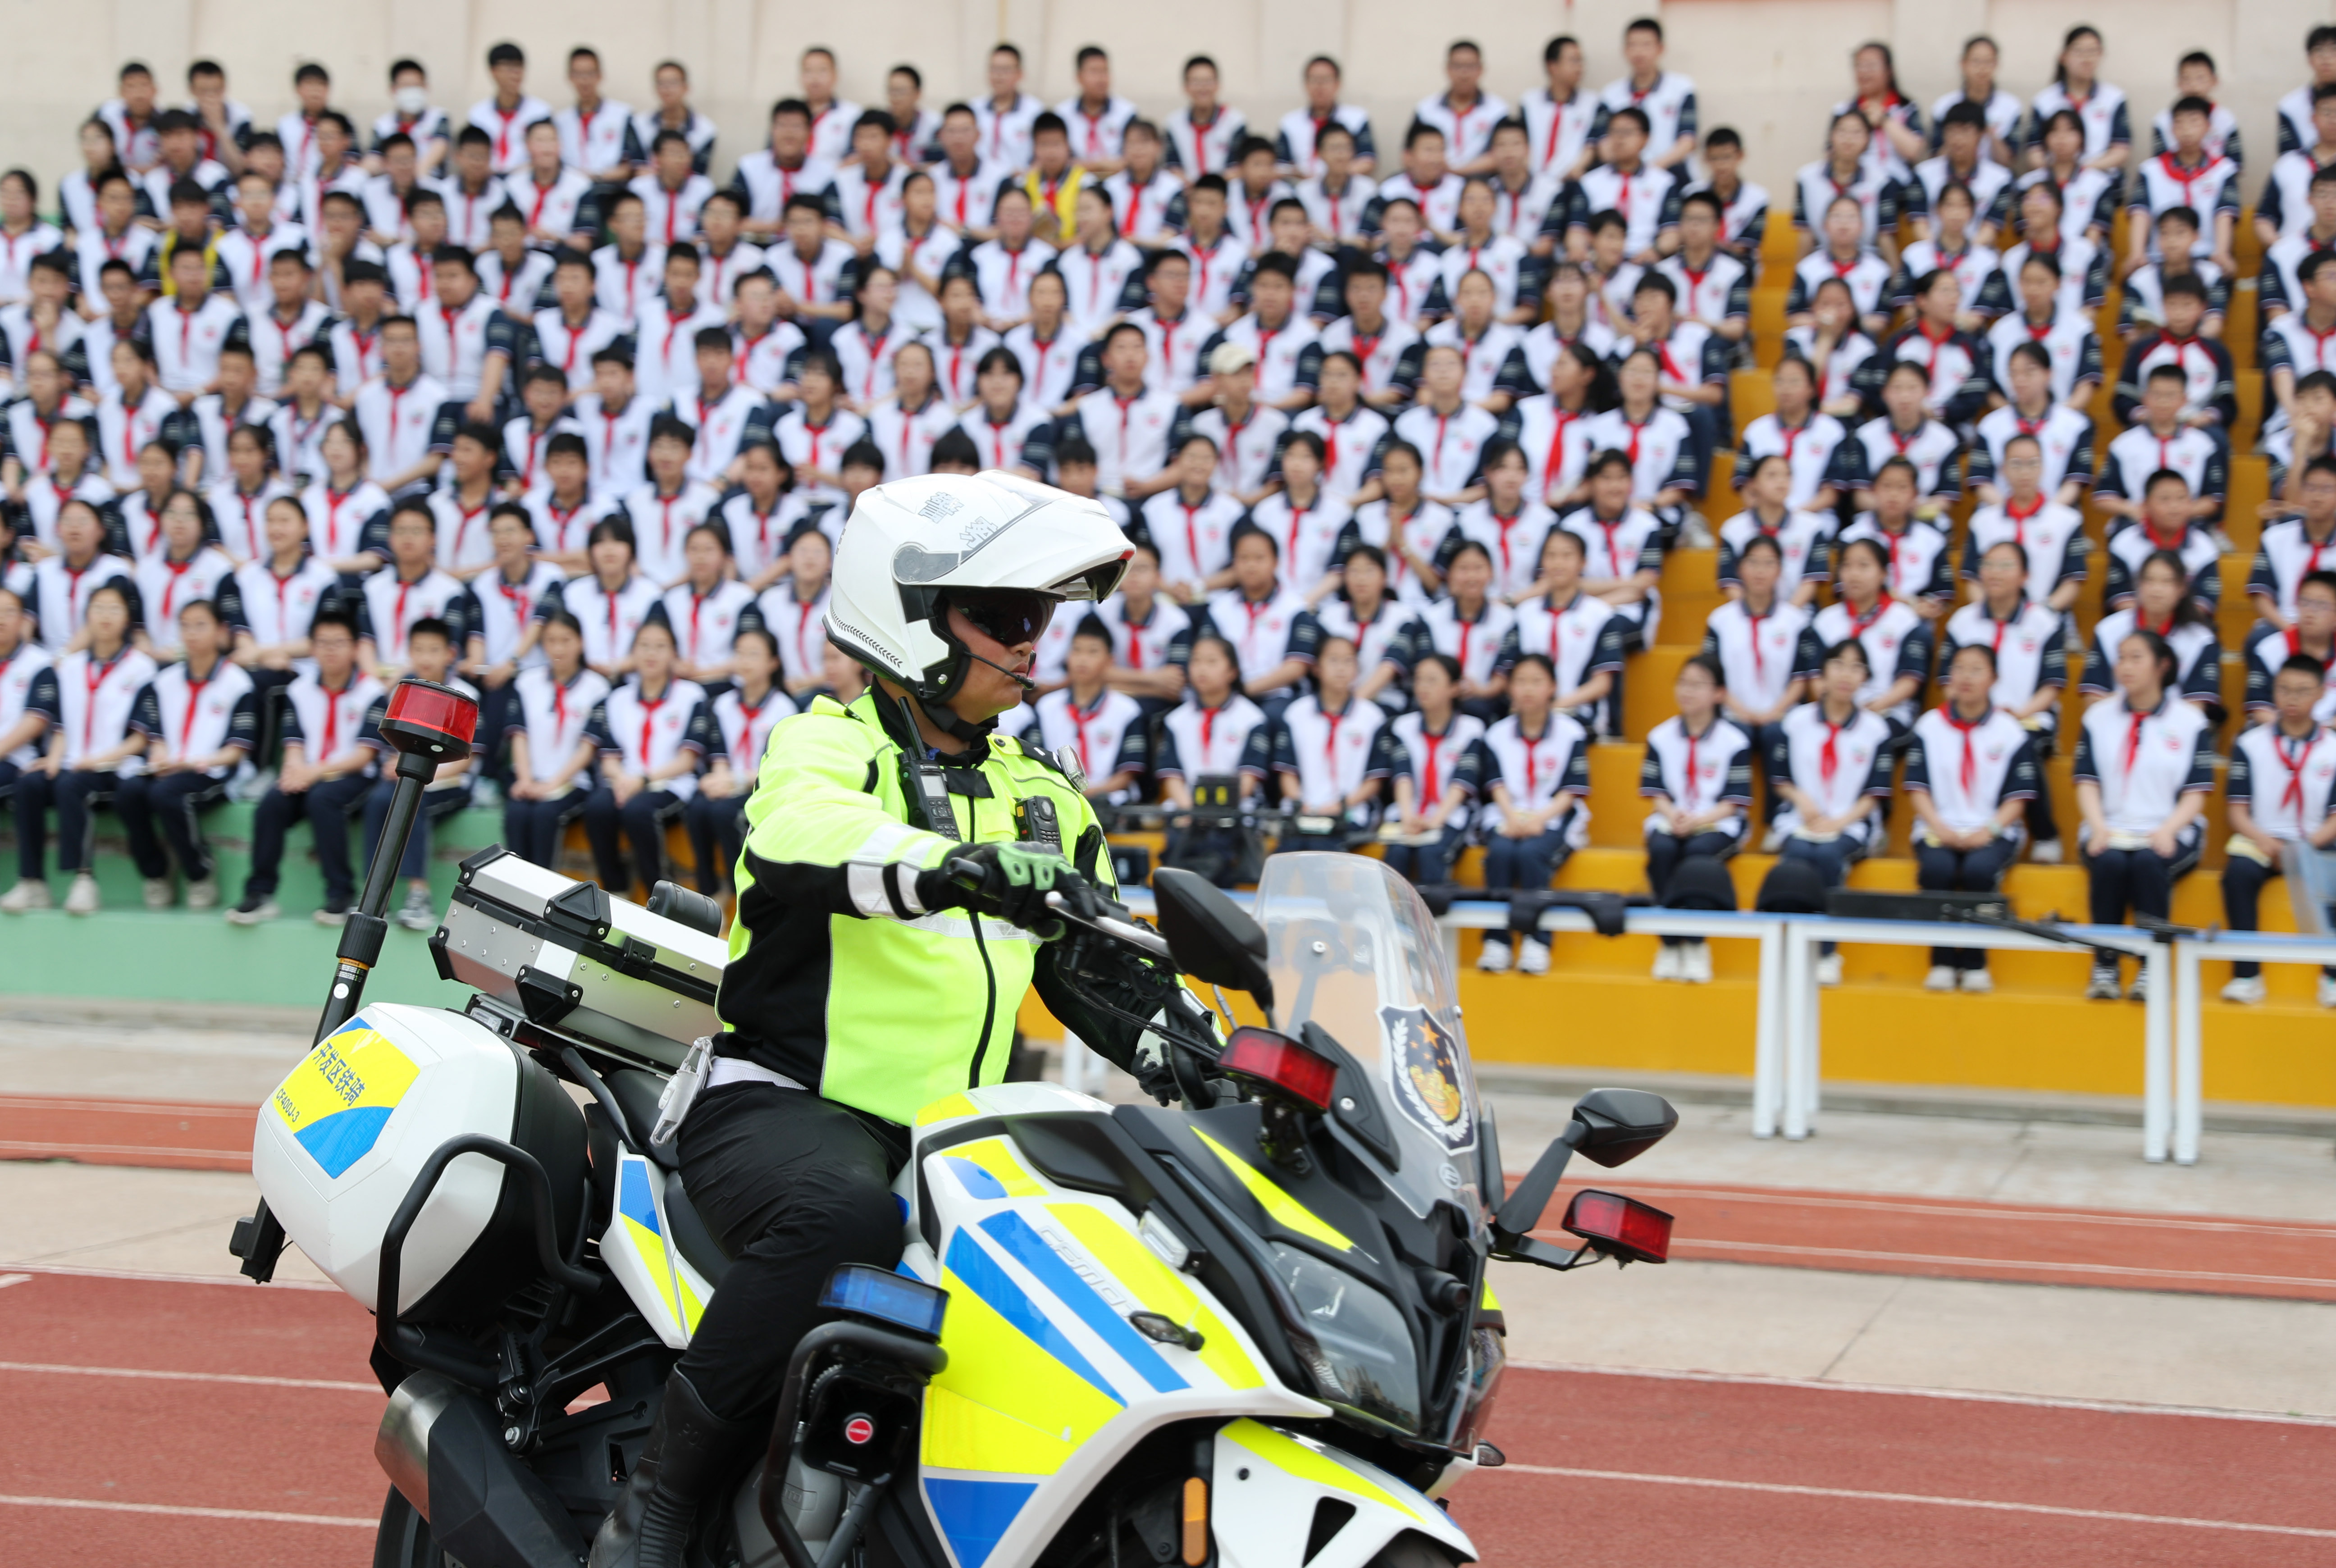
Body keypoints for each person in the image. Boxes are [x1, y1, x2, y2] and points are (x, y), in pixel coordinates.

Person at [594, 472, 1173, 1568]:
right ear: (912, 619)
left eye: (1038, 618)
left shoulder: (1043, 792)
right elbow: (803, 836)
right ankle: (658, 1501)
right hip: (787, 1102)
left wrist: (1213, 1055)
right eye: (1003, 615)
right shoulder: (827, 745)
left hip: (960, 1136)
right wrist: (954, 867)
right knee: (844, 1218)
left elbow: (1105, 966)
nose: (1030, 642)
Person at [2076, 628, 2213, 1001]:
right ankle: (2105, 964)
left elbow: (2196, 793)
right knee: (2110, 863)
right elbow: (2087, 782)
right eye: (2121, 657)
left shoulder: (2190, 721)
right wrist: (2099, 828)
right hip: (2111, 827)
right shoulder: (2098, 717)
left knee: (2148, 863)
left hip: (2170, 829)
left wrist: (2168, 830)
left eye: (2137, 658)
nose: (2126, 666)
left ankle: (2152, 966)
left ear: (2162, 666)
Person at [5, 583, 156, 916]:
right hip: (74, 763)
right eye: (98, 608)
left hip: (116, 766)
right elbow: (61, 727)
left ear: (127, 617)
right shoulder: (69, 667)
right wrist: (53, 759)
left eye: (114, 609)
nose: (105, 616)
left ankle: (84, 880)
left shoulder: (142, 668)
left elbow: (141, 738)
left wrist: (96, 760)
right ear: (87, 616)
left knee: (70, 785)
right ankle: (32, 881)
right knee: (29, 783)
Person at [227, 607, 383, 925]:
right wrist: (293, 773)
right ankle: (260, 893)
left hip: (354, 776)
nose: (330, 650)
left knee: (322, 799)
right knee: (272, 802)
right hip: (311, 775)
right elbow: (294, 745)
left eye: (339, 642)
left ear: (356, 648)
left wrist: (311, 773)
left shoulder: (374, 693)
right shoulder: (299, 690)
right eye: (323, 643)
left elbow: (364, 756)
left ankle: (341, 894)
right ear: (312, 648)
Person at [1905, 643, 2041, 991]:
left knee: (1980, 870)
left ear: (1994, 678)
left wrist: (1988, 830)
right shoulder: (1929, 726)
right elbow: (1918, 788)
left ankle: (1975, 962)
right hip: (1938, 827)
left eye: (1977, 669)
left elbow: (2018, 798)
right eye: (1960, 668)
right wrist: (1940, 827)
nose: (1966, 677)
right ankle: (1941, 961)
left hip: (1994, 829)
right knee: (1937, 869)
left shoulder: (2010, 731)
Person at [1771, 638, 1894, 985]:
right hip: (1801, 819)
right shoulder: (1796, 721)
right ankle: (1791, 951)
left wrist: (1839, 822)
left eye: (1857, 667)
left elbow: (1874, 794)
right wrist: (1801, 800)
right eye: (1838, 664)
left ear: (1865, 677)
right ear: (1823, 673)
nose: (1846, 674)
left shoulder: (1876, 730)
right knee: (1797, 858)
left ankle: (1826, 952)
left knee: (1827, 857)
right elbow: (1781, 779)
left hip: (1851, 824)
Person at [2221, 651, 2336, 1007]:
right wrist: (2267, 842)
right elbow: (2237, 812)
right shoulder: (2250, 743)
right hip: (2261, 839)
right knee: (2237, 875)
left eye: (2303, 691)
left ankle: (2332, 976)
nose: (2292, 698)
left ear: (2321, 694)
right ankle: (2247, 976)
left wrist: (2303, 849)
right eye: (2284, 689)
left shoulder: (2333, 748)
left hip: (2316, 841)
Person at [1947, 538, 2070, 863]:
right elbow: (1948, 683)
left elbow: (2052, 686)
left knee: (2021, 742)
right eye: (1988, 565)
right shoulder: (1962, 622)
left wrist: (2017, 714)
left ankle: (2045, 834)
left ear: (2025, 576)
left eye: (2005, 565)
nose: (1995, 572)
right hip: (1971, 714)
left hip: (2029, 716)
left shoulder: (2044, 622)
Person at [358, 616, 480, 930]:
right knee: (377, 801)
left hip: (450, 781)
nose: (426, 658)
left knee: (415, 800)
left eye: (434, 650)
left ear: (450, 654)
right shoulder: (402, 691)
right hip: (408, 775)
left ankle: (418, 895)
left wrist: (421, 775)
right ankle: (372, 893)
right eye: (419, 650)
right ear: (409, 652)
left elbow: (467, 760)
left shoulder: (466, 695)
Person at [1475, 652, 1590, 977]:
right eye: (1521, 681)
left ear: (1552, 687)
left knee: (1530, 854)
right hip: (1507, 814)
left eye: (1537, 681)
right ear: (1510, 687)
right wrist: (1512, 817)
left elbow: (1571, 789)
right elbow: (1496, 784)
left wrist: (1539, 819)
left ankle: (1536, 940)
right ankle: (1497, 940)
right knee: (1500, 853)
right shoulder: (1496, 734)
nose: (1528, 689)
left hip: (1553, 815)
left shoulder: (1571, 732)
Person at [1642, 653, 1752, 983]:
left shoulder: (1735, 741)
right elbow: (1656, 793)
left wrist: (1698, 820)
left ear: (1719, 694)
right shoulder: (1660, 737)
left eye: (1698, 685)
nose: (1688, 691)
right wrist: (1673, 815)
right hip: (1671, 817)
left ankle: (1695, 944)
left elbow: (1733, 804)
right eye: (1683, 683)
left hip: (1718, 821)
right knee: (1662, 849)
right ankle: (1669, 943)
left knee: (1697, 855)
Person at [684, 626, 794, 894]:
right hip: (729, 782)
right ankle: (708, 890)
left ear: (773, 663)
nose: (744, 661)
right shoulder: (722, 704)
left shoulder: (785, 708)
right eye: (739, 653)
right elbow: (718, 751)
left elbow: (780, 766)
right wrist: (719, 780)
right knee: (696, 809)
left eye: (753, 654)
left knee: (724, 813)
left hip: (761, 786)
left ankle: (740, 892)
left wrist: (733, 781)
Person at [502, 606, 607, 870]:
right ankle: (512, 885)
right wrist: (525, 780)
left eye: (566, 640)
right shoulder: (527, 683)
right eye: (551, 641)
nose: (558, 648)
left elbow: (588, 748)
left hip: (572, 783)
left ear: (581, 643)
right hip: (531, 778)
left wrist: (552, 785)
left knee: (544, 814)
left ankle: (541, 890)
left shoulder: (597, 687)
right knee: (516, 812)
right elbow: (519, 735)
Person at [1809, 537, 1932, 737]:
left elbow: (1910, 680)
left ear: (1884, 574)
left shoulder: (1905, 620)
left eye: (1863, 566)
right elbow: (1816, 677)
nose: (1854, 574)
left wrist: (1870, 711)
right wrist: (1837, 709)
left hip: (1886, 710)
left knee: (1866, 735)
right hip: (1832, 710)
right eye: (1847, 566)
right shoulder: (1825, 621)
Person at [2082, 549, 2223, 719]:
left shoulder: (2201, 640)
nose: (2157, 590)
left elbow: (2196, 709)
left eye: (2167, 582)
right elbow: (2093, 699)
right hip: (2117, 723)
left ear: (2182, 589)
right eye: (2149, 581)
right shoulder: (2108, 630)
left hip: (2174, 729)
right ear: (2138, 585)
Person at [1382, 652, 1482, 884]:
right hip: (1410, 810)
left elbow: (1462, 782)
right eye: (1419, 679)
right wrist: (1408, 817)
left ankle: (1436, 907)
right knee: (1396, 854)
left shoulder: (1472, 729)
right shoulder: (1403, 726)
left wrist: (1435, 821)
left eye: (1432, 680)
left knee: (1432, 853)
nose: (1423, 687)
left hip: (1451, 813)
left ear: (1454, 688)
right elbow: (1403, 775)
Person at [1720, 452, 1830, 606]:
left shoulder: (1812, 526)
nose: (1781, 481)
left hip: (1799, 612)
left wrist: (1787, 616)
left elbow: (1811, 580)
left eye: (1787, 475)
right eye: (1772, 475)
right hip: (1747, 614)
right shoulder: (1733, 529)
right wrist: (1751, 614)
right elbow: (1731, 582)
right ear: (1753, 484)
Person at [1597, 16, 1697, 171]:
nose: (1639, 52)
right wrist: (1630, 171)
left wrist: (1650, 172)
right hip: (1623, 176)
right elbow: (1603, 143)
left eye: (1646, 45)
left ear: (1661, 49)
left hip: (1671, 174)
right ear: (1625, 50)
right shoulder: (1610, 95)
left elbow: (1687, 141)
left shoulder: (1681, 89)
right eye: (1633, 45)